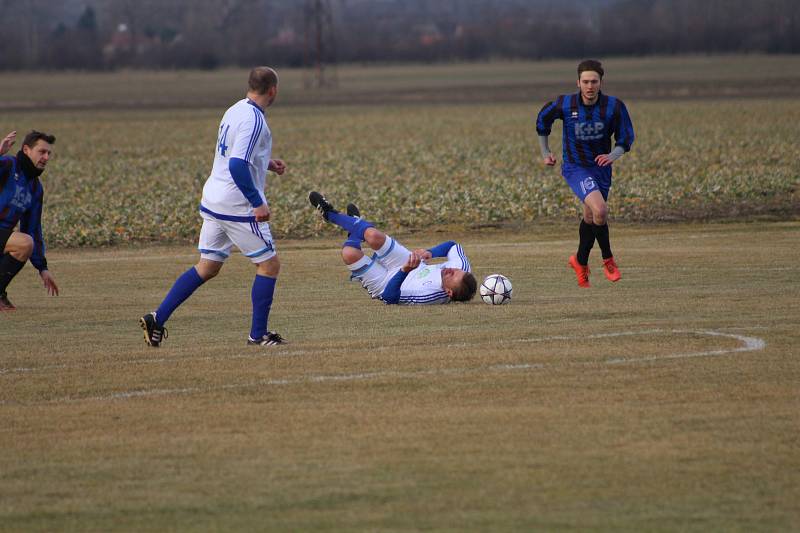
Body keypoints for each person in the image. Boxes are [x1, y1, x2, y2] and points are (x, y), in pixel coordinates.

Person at [140, 67, 287, 347]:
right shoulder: (254, 119)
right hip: (236, 205)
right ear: (273, 90)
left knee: (207, 266)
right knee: (269, 265)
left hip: (213, 200)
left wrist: (266, 162)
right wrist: (257, 202)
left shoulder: (235, 109)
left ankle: (157, 318)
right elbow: (236, 164)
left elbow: (235, 153)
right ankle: (258, 336)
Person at [536, 59, 635, 288]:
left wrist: (613, 155)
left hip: (601, 168)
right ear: (578, 82)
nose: (590, 86)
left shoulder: (614, 106)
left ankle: (580, 261)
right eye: (585, 82)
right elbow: (542, 120)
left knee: (591, 217)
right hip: (575, 167)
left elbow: (626, 138)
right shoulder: (565, 103)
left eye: (594, 81)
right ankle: (608, 260)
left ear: (601, 82)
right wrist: (545, 152)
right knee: (600, 210)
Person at [309, 191, 477, 305]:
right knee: (373, 236)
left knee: (349, 253)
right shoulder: (462, 269)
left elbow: (390, 297)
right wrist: (430, 252)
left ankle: (354, 224)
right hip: (411, 263)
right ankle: (330, 214)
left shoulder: (429, 295)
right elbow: (452, 246)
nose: (451, 269)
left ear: (449, 293)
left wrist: (404, 270)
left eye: (452, 275)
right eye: (456, 270)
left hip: (385, 284)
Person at [0, 130, 60, 311]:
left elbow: (32, 228)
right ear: (26, 150)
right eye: (42, 152)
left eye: (49, 153)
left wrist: (42, 267)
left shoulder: (35, 187)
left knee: (26, 242)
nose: (46, 157)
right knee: (23, 243)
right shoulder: (8, 165)